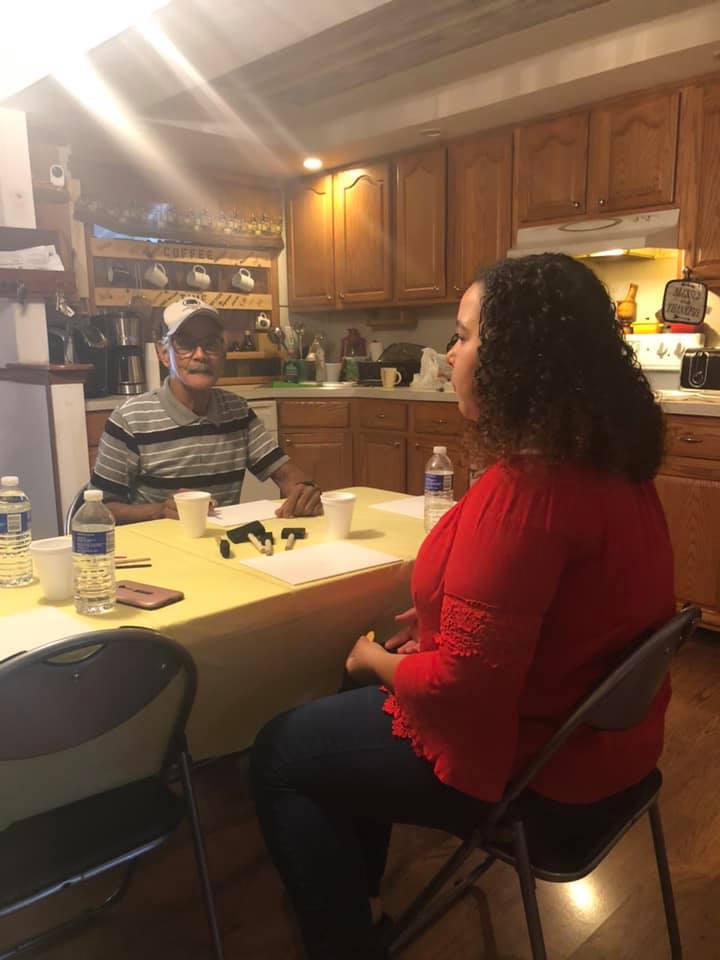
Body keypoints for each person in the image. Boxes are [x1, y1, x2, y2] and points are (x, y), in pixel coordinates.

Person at [249, 254, 674, 960]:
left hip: (542, 778)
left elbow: (462, 688)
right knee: (347, 703)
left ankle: (344, 941)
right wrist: (444, 624)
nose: (449, 354)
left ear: (517, 360)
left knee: (279, 750)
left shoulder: (528, 492)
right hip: (612, 755)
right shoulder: (609, 464)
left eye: (465, 336)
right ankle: (363, 901)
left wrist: (376, 659)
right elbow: (557, 613)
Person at [91, 297, 322, 523]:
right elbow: (99, 510)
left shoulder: (238, 412)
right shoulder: (129, 419)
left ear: (224, 354)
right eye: (185, 344)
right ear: (163, 354)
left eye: (211, 344)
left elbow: (286, 475)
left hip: (223, 544)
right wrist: (160, 511)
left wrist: (304, 492)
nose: (200, 355)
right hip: (157, 545)